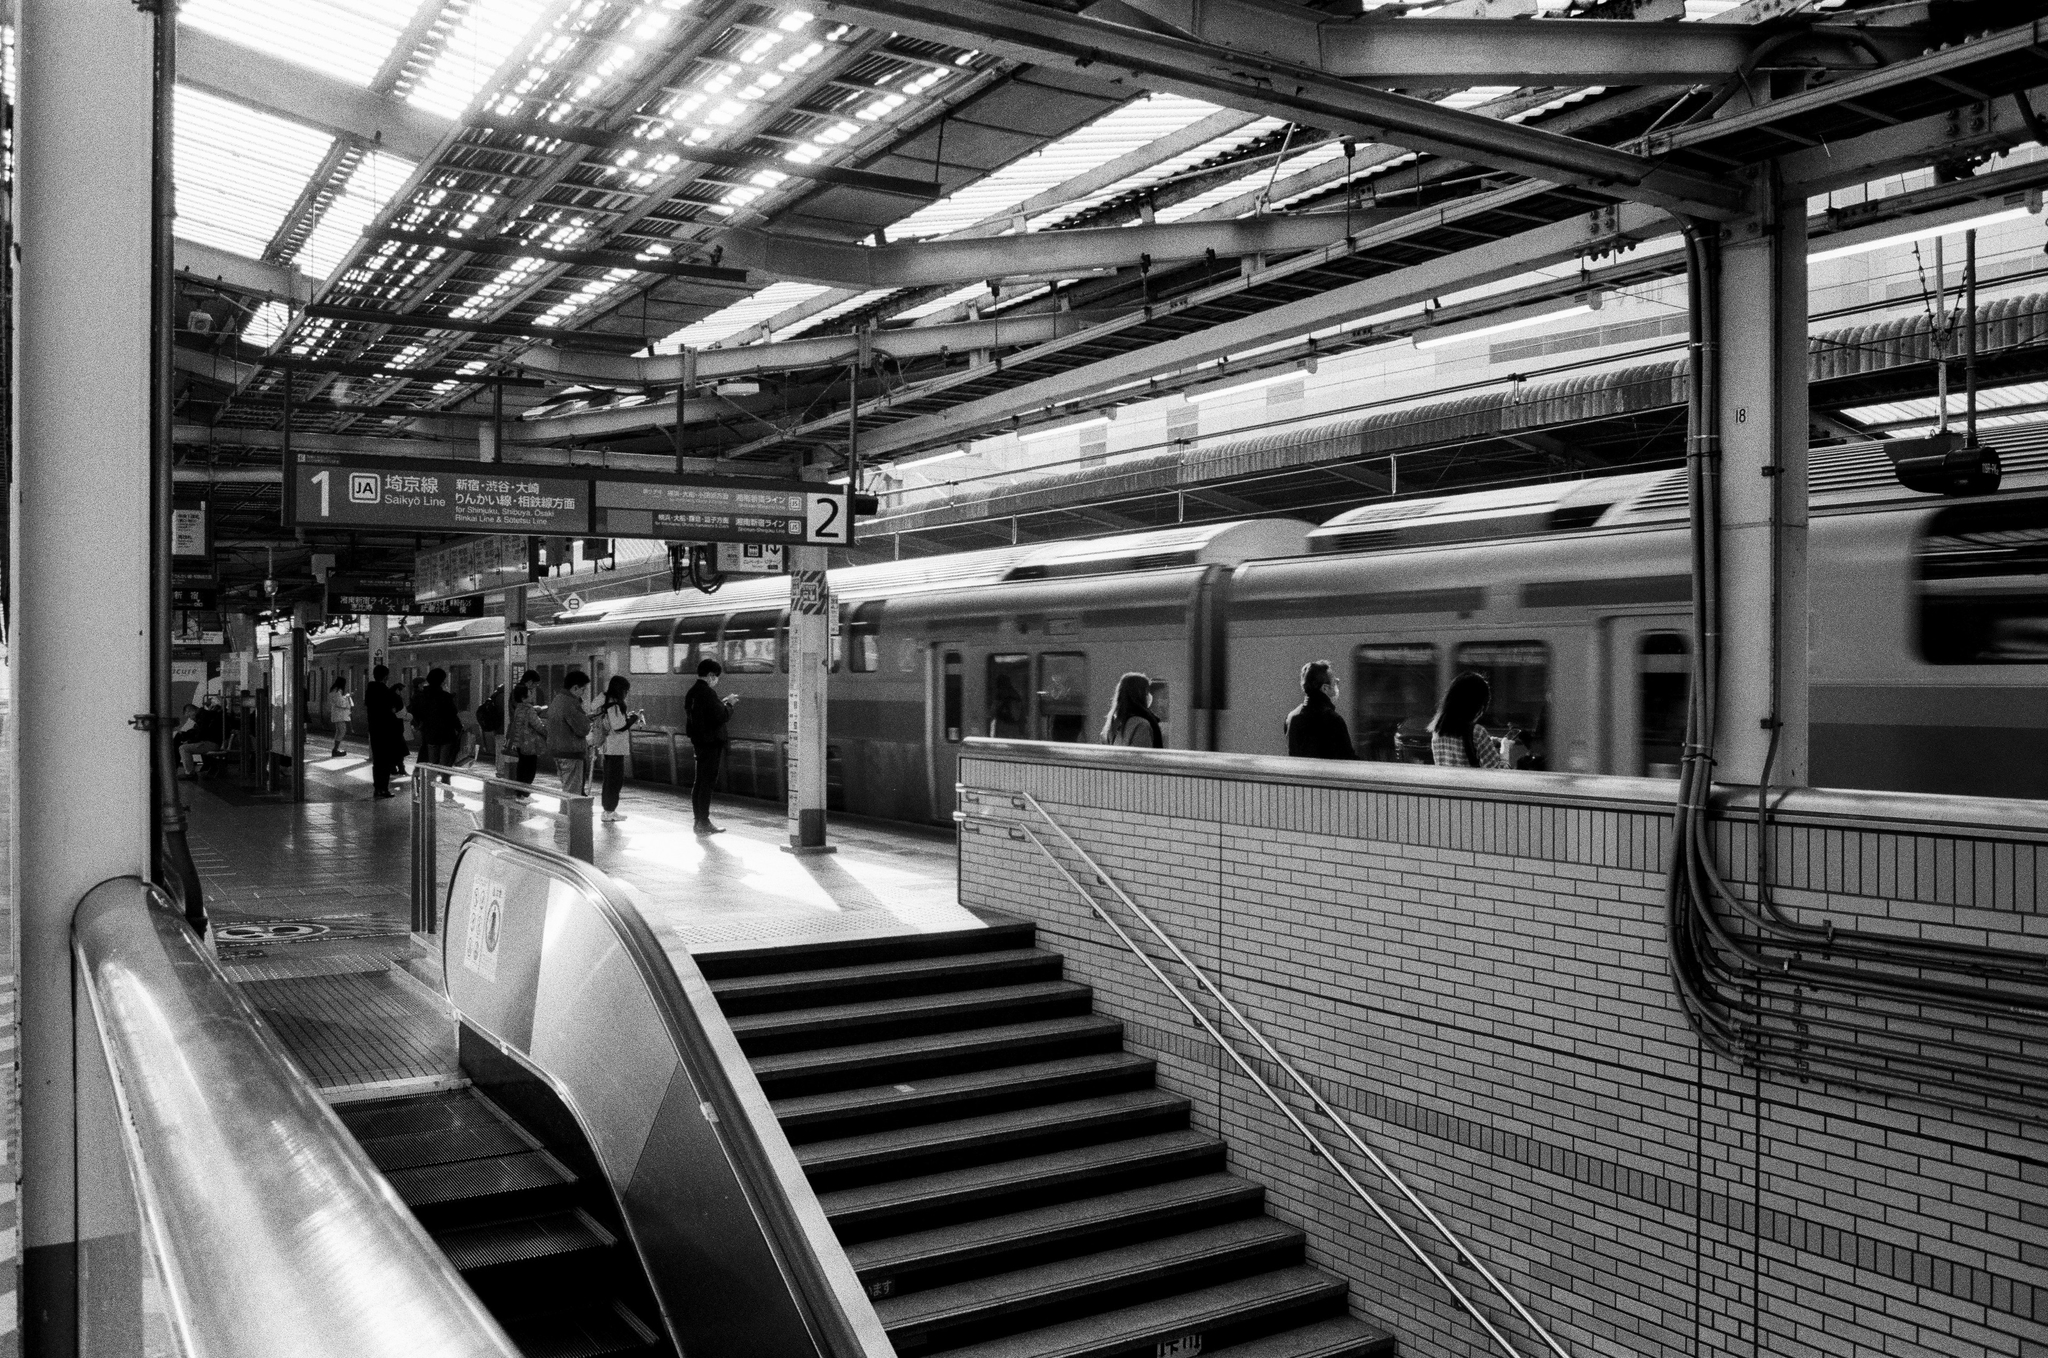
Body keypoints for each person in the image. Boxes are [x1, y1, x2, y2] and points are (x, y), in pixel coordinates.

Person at [683, 658, 739, 832]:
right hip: (710, 743)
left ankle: (698, 821)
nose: (716, 680)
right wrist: (730, 704)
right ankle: (704, 822)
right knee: (707, 782)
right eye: (716, 676)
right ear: (710, 675)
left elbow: (705, 713)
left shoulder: (692, 692)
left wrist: (721, 704)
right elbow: (720, 716)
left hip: (699, 742)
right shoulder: (707, 693)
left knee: (699, 782)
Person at [1426, 671, 1524, 769]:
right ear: (1476, 705)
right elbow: (1499, 773)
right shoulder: (1477, 732)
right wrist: (1505, 748)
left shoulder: (1437, 730)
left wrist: (1490, 741)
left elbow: (1460, 741)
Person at [593, 675, 644, 824]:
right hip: (615, 748)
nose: (626, 694)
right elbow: (619, 727)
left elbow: (613, 721)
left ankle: (608, 810)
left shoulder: (606, 701)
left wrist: (627, 717)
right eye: (625, 690)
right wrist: (634, 719)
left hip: (610, 747)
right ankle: (609, 811)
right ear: (620, 690)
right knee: (614, 781)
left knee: (609, 780)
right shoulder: (613, 705)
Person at [1284, 660, 1356, 760]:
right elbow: (1348, 758)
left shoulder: (1291, 718)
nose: (1337, 684)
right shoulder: (1333, 720)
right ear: (1325, 688)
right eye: (1335, 682)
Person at [547, 670, 593, 795]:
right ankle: (569, 809)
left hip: (558, 751)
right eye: (583, 689)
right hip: (571, 753)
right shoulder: (570, 703)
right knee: (572, 793)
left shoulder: (558, 699)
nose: (583, 693)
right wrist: (586, 720)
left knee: (567, 789)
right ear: (575, 688)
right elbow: (583, 729)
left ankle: (566, 808)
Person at [366, 665, 408, 799]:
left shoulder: (370, 690)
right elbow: (398, 705)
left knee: (378, 761)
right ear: (386, 677)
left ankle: (378, 788)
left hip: (374, 729)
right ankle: (383, 789)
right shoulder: (386, 692)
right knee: (385, 762)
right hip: (386, 731)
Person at [410, 667, 464, 769]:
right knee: (445, 764)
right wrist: (459, 728)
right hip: (446, 734)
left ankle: (431, 777)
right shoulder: (445, 696)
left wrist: (421, 724)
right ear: (441, 681)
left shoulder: (421, 696)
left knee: (432, 763)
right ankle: (444, 777)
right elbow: (452, 714)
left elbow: (415, 712)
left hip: (430, 734)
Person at [1100, 672, 1163, 747]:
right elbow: (1141, 753)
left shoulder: (1113, 723)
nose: (1149, 696)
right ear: (1140, 695)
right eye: (1146, 692)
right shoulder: (1141, 724)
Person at [506, 681, 546, 786]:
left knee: (522, 765)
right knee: (530, 768)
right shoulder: (529, 710)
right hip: (529, 743)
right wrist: (546, 733)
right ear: (524, 698)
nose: (532, 695)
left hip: (519, 743)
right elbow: (537, 725)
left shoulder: (518, 708)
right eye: (530, 693)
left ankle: (519, 790)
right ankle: (525, 790)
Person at [326, 677, 354, 758]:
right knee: (342, 731)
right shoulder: (337, 692)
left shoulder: (335, 691)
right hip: (339, 715)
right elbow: (341, 704)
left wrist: (345, 697)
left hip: (338, 715)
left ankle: (336, 749)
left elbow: (339, 701)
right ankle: (335, 749)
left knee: (339, 731)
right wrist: (347, 697)